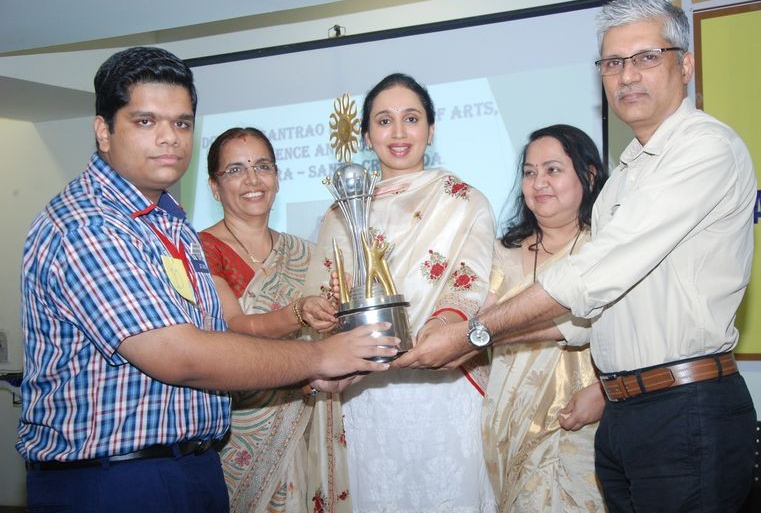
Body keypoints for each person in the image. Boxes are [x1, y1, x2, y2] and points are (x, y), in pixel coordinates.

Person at [397, 0, 758, 512]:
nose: (627, 76)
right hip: (626, 414)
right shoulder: (626, 175)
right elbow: (590, 317)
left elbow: (593, 274)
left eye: (646, 57)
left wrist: (475, 331)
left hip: (683, 408)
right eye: (613, 63)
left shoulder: (704, 149)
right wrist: (472, 343)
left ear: (686, 64)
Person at [17, 46, 396, 513]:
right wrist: (318, 356)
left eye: (181, 123)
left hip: (190, 468)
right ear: (103, 130)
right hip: (114, 481)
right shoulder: (89, 224)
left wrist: (315, 371)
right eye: (145, 121)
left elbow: (212, 340)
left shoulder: (166, 219)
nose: (169, 139)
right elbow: (179, 355)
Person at [303, 73, 497, 512]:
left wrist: (440, 331)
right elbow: (326, 290)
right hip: (365, 390)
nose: (398, 132)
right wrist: (321, 309)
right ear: (367, 135)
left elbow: (470, 280)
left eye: (411, 119)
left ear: (431, 129)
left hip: (443, 381)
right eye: (384, 121)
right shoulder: (341, 212)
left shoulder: (463, 201)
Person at [199, 127, 339, 511]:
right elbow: (235, 326)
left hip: (308, 417)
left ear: (276, 177)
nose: (252, 179)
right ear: (214, 187)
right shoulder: (201, 250)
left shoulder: (307, 253)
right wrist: (298, 313)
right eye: (235, 170)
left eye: (263, 166)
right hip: (244, 423)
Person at [482, 125, 608, 512]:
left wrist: (606, 393)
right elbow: (478, 323)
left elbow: (628, 331)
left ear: (587, 176)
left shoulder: (604, 249)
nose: (539, 183)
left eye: (553, 170)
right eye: (530, 172)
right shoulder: (500, 253)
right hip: (504, 424)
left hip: (577, 423)